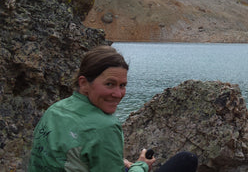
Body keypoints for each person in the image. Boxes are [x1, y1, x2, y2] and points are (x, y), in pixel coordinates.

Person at [28, 45, 197, 172]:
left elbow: (72, 153)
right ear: (84, 83)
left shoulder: (54, 110)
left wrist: (119, 161)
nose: (118, 94)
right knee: (186, 160)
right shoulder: (104, 126)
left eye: (122, 85)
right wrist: (141, 166)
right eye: (110, 84)